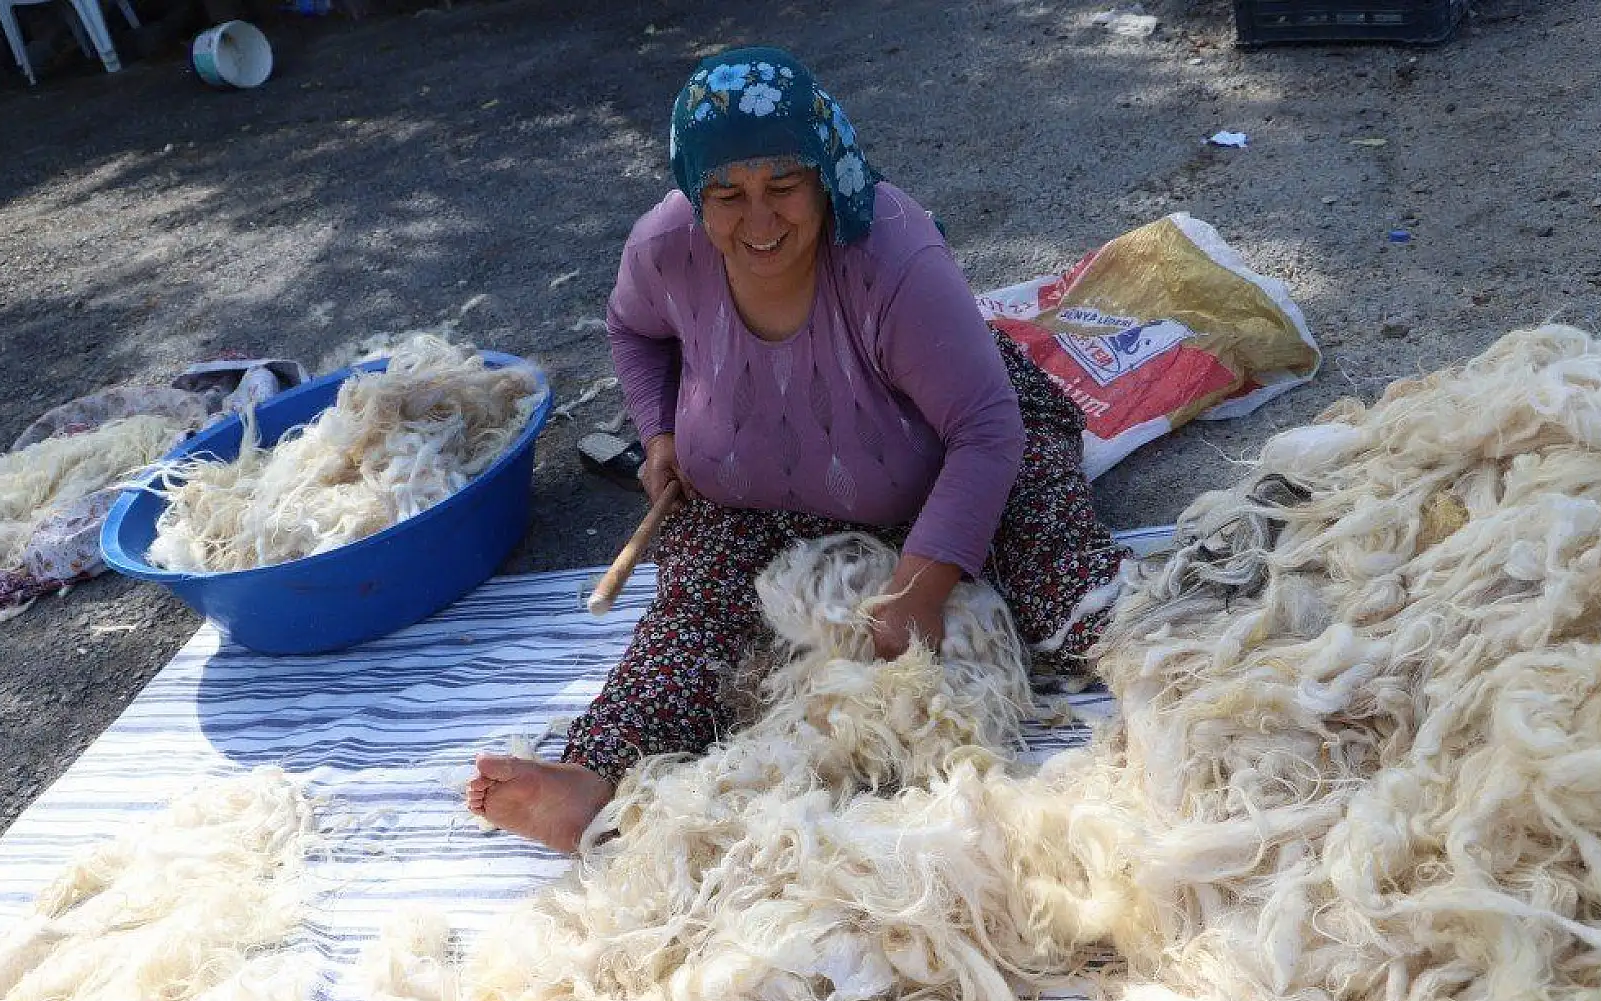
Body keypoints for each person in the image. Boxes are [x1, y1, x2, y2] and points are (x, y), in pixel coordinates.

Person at [468, 46, 1126, 852]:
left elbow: (986, 429)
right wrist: (661, 430)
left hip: (956, 460)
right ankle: (592, 775)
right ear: (695, 194)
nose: (759, 219)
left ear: (824, 173)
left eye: (783, 185)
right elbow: (632, 330)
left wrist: (918, 590)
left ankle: (1180, 677)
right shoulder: (663, 249)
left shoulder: (892, 257)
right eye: (727, 194)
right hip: (762, 502)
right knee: (691, 618)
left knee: (1069, 590)